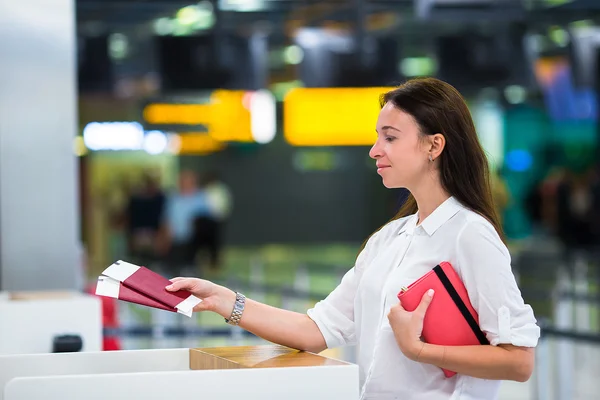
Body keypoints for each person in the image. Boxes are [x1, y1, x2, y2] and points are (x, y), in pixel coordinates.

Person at [165, 78, 540, 399]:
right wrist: (225, 300)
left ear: (433, 146)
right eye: (378, 137)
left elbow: (518, 360)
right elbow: (317, 330)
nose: (375, 150)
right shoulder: (390, 238)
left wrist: (420, 349)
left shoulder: (470, 234)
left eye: (390, 137)